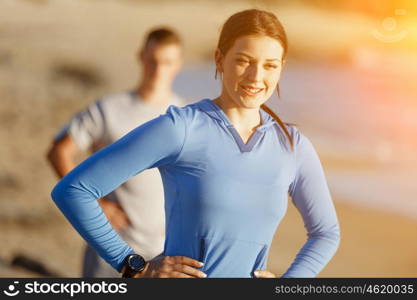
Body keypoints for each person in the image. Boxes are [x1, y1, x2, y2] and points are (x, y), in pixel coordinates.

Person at [51, 9, 340, 278]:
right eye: (243, 61)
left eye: (269, 66)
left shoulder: (293, 146)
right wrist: (134, 266)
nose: (256, 77)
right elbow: (74, 190)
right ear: (219, 59)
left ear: (281, 69)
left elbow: (326, 233)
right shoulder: (182, 128)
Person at [47, 27, 184, 277]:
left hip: (163, 252)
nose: (158, 69)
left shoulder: (184, 114)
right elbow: (59, 151)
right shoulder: (109, 109)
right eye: (152, 60)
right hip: (110, 248)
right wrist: (99, 205)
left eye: (167, 62)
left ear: (178, 65)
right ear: (140, 57)